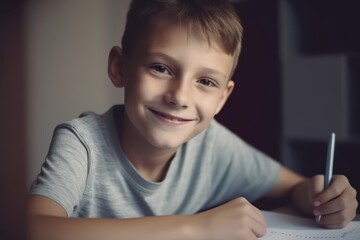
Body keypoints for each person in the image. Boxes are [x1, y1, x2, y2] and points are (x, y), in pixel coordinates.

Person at [26, 0, 358, 239]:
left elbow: (296, 186)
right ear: (119, 67)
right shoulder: (82, 143)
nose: (180, 97)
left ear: (222, 97)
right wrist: (196, 228)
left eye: (205, 81)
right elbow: (34, 228)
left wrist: (322, 197)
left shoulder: (210, 143)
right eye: (161, 68)